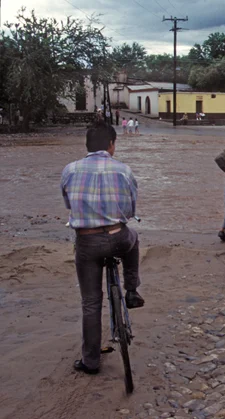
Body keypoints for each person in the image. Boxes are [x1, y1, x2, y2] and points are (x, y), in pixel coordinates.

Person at [61, 121, 145, 375]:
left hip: (87, 242)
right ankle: (131, 290)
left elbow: (68, 204)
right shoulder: (123, 171)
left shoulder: (70, 170)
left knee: (91, 302)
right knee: (133, 239)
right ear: (111, 145)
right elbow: (130, 209)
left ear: (87, 146)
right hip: (118, 237)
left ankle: (90, 361)